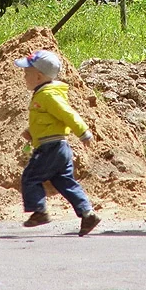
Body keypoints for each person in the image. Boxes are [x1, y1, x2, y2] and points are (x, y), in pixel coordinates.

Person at [15, 49, 101, 236]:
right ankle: (88, 214)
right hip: (59, 147)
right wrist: (32, 132)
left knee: (30, 177)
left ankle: (39, 212)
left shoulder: (47, 95)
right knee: (65, 182)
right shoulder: (45, 94)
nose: (24, 77)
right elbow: (49, 121)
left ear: (38, 77)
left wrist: (83, 132)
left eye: (26, 73)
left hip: (50, 148)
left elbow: (66, 114)